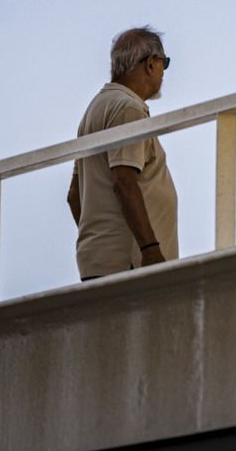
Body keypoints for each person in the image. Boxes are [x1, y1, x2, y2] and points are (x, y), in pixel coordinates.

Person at [66, 26, 179, 280]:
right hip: (131, 265)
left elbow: (75, 195)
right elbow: (124, 181)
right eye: (165, 63)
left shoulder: (96, 108)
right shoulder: (128, 109)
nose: (163, 72)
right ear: (151, 63)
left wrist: (100, 244)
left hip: (101, 264)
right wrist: (149, 250)